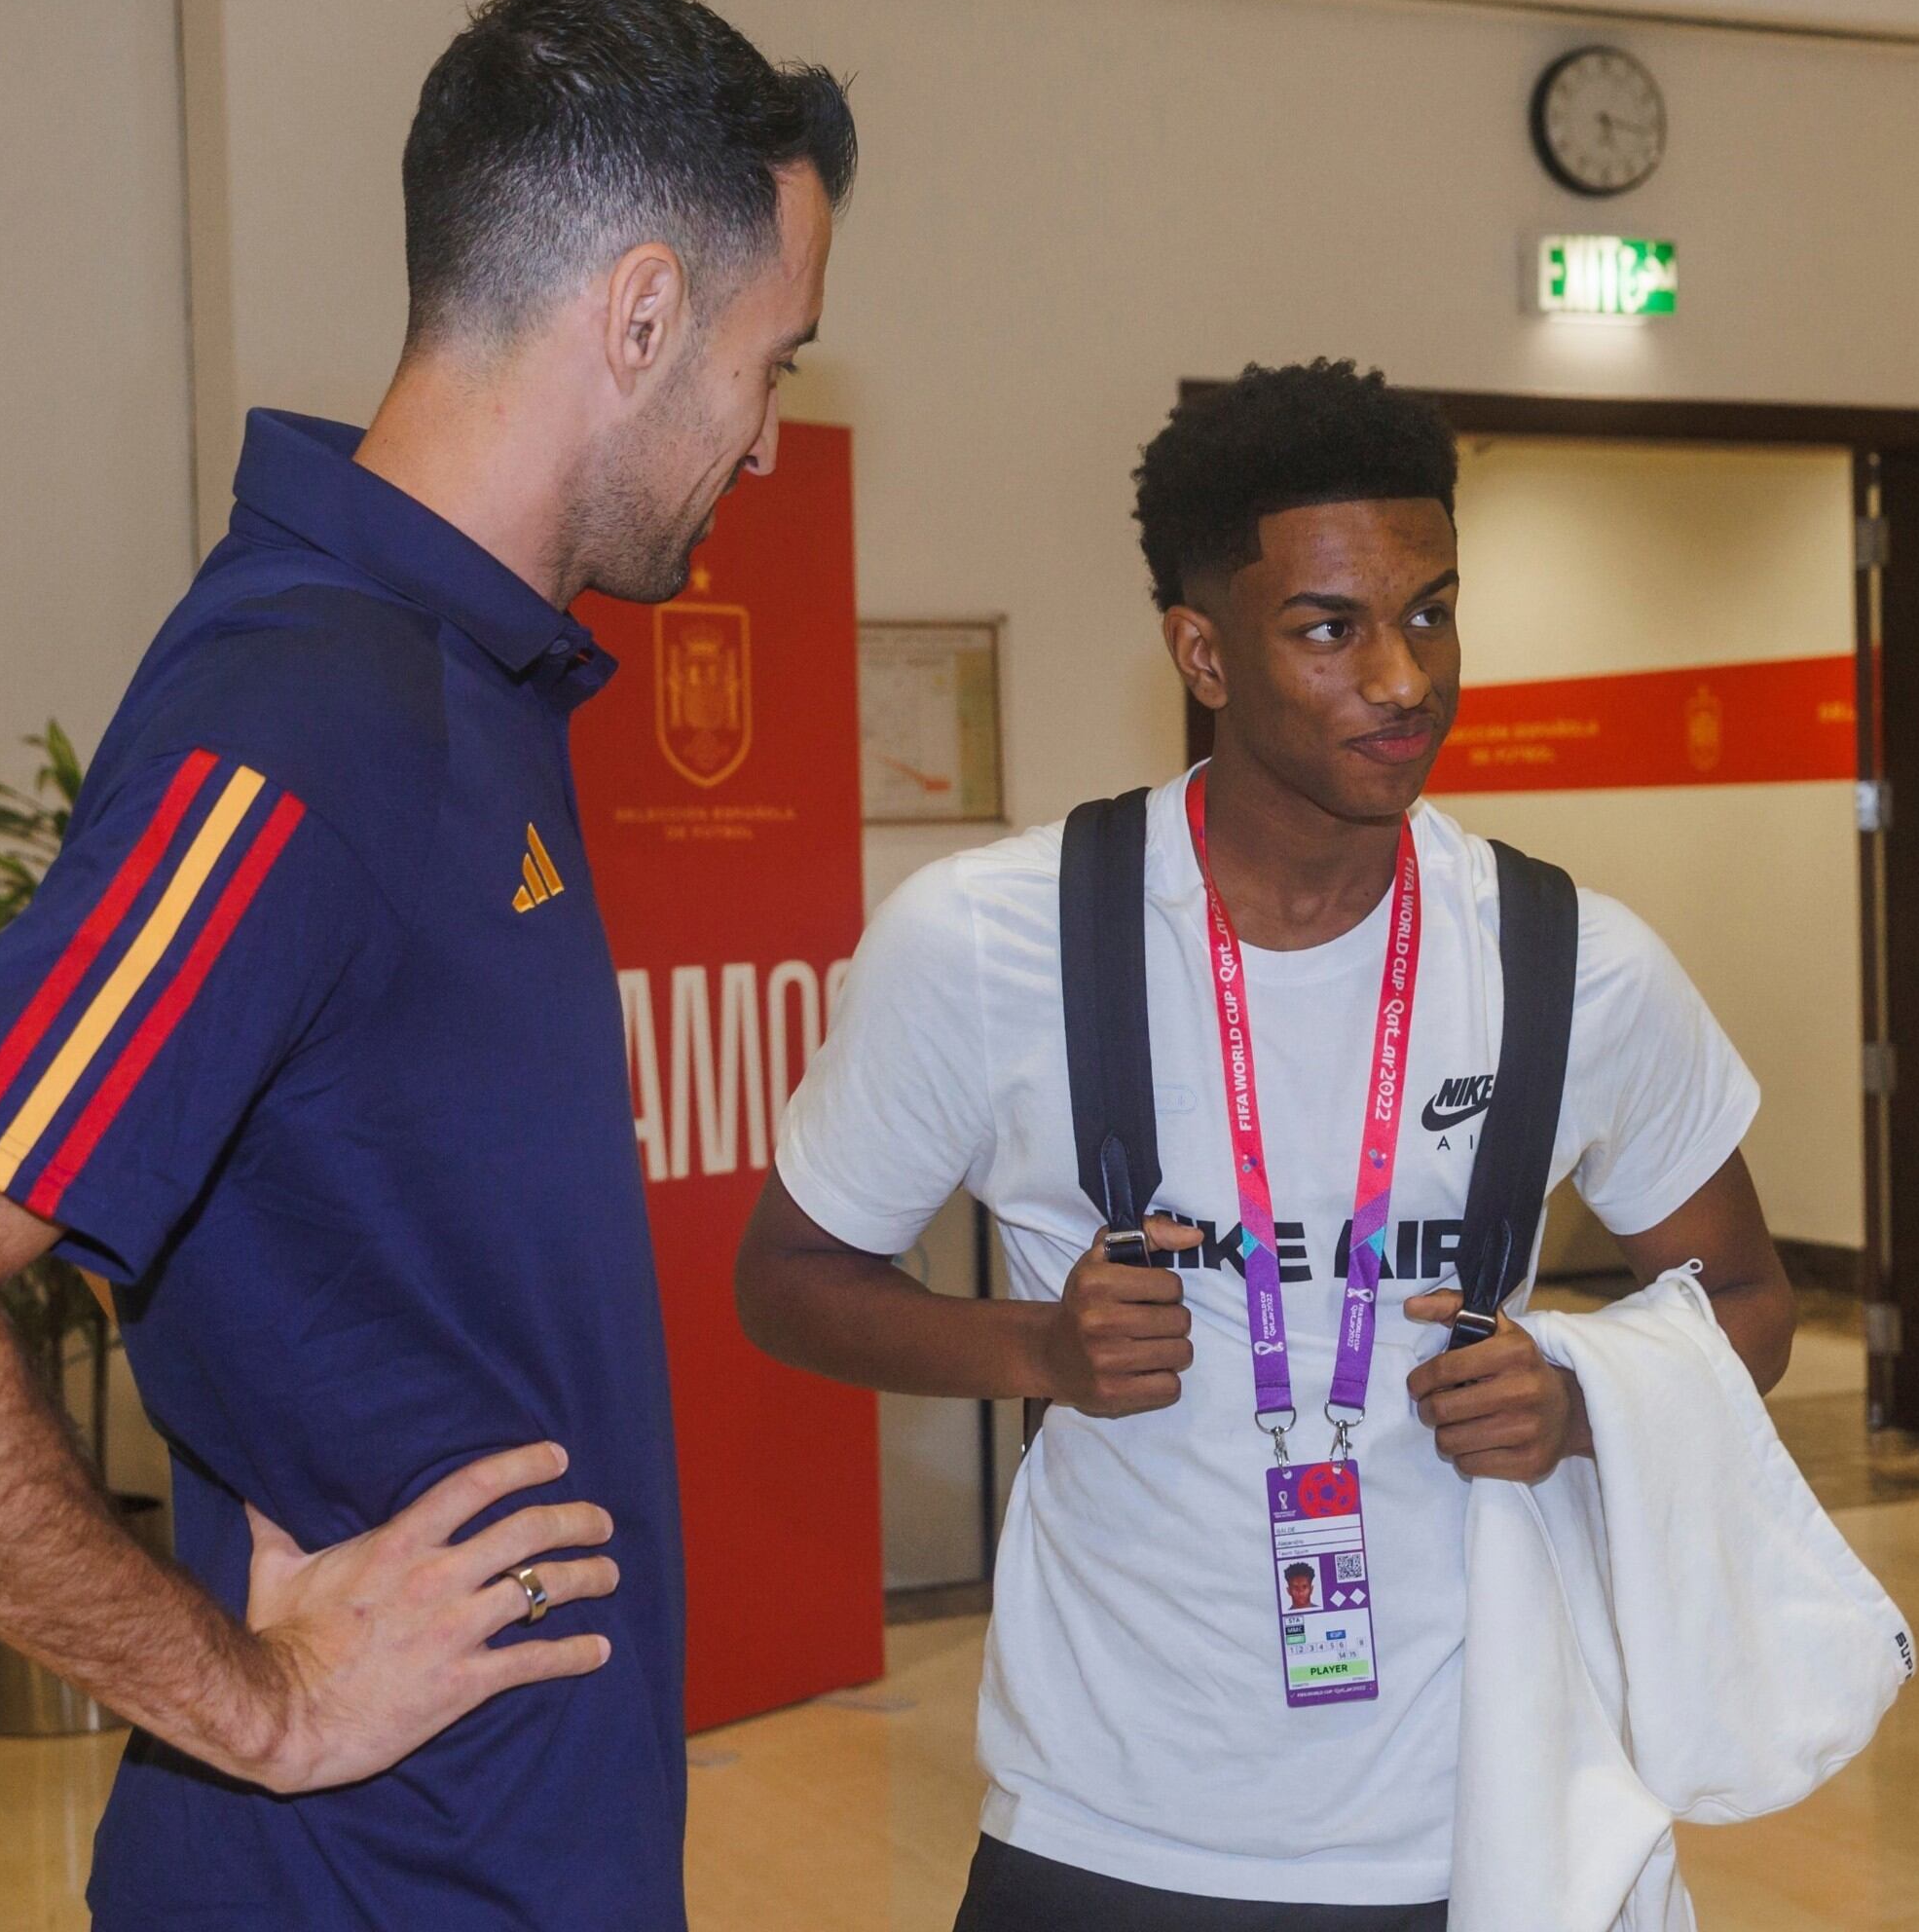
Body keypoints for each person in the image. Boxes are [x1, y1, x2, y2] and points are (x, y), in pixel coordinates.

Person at [0, 0, 850, 1928]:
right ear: (644, 313)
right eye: (773, 362)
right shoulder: (315, 717)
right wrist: (262, 1700)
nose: (762, 442)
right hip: (365, 1881)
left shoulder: (458, 680)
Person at [735, 358, 1798, 1930]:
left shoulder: (1575, 964)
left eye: (1431, 612)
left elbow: (1751, 1304)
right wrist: (1039, 1348)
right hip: (1104, 1821)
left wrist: (1581, 1403)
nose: (1403, 677)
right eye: (1329, 628)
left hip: (1476, 1820)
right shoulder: (990, 942)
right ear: (1202, 652)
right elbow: (786, 1278)